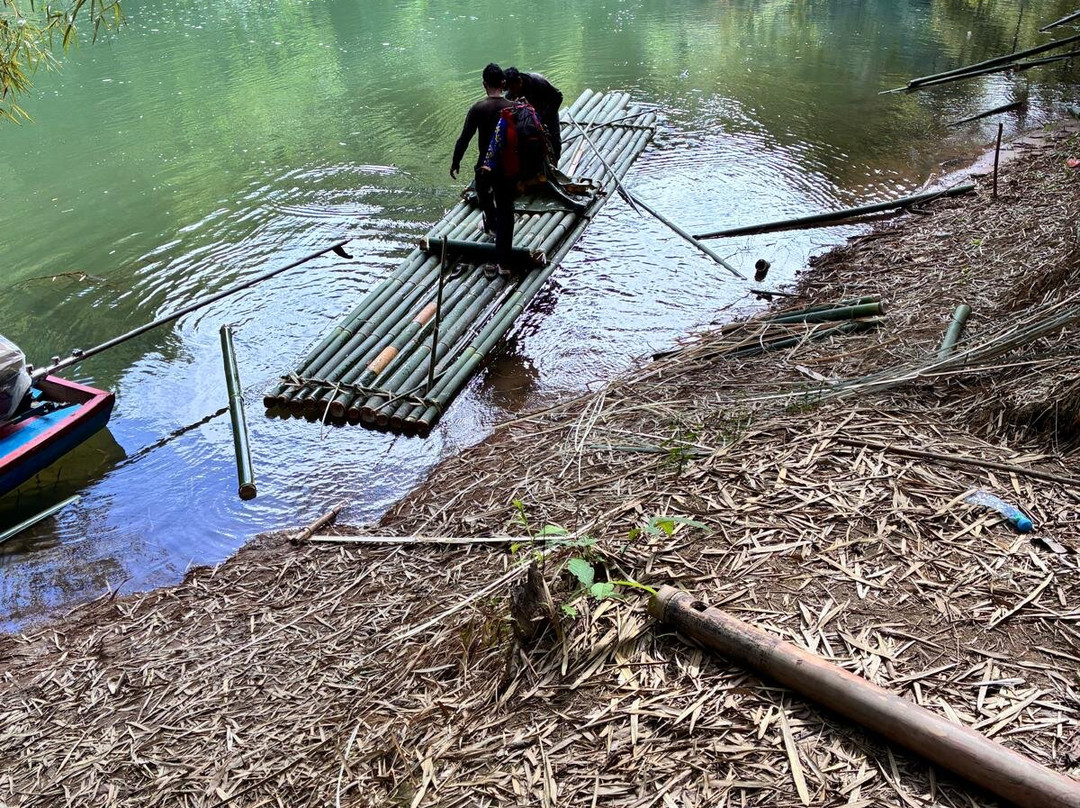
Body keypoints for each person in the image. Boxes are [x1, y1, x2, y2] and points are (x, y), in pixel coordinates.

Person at [480, 99, 548, 275]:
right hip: (523, 173)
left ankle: (502, 263)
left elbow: (494, 147)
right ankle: (505, 262)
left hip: (504, 172)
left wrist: (486, 168)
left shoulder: (505, 120)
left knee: (504, 213)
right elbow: (543, 145)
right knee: (508, 214)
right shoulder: (533, 116)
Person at [450, 63, 513, 235]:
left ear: (484, 84)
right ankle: (505, 228)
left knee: (483, 191)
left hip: (486, 164)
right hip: (510, 164)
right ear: (503, 83)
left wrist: (456, 161)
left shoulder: (478, 108)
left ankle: (492, 225)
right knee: (505, 197)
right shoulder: (513, 107)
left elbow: (464, 139)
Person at [504, 67, 563, 165]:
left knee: (555, 141)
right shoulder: (511, 92)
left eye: (513, 88)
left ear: (519, 81)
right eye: (510, 89)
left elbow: (558, 97)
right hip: (530, 117)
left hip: (547, 112)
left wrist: (544, 116)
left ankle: (554, 165)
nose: (513, 92)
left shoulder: (539, 82)